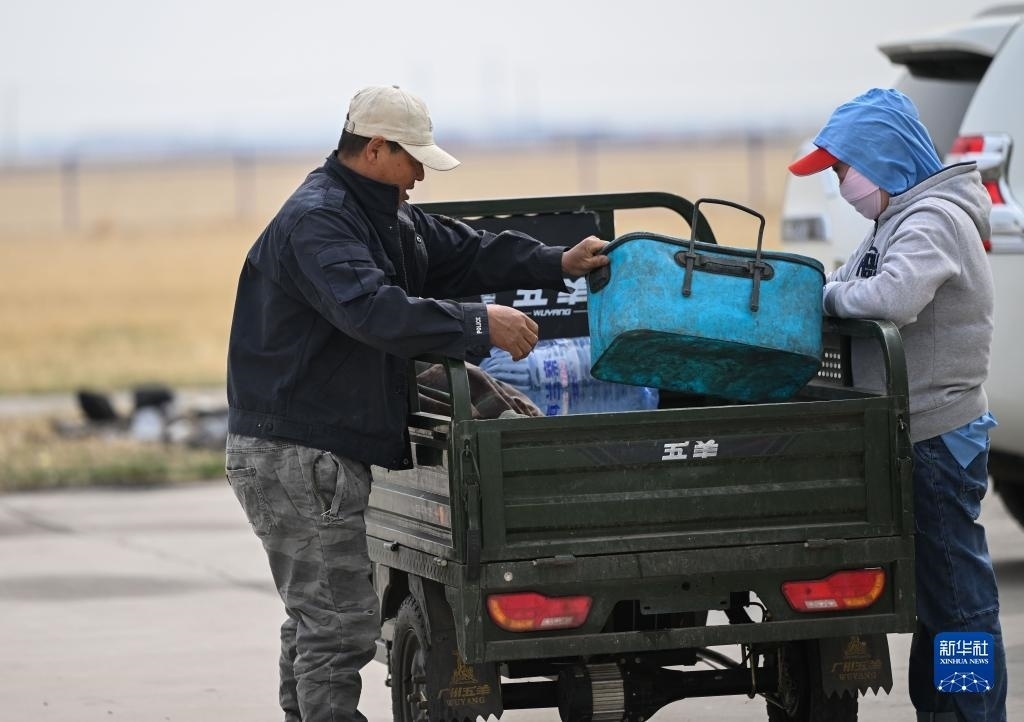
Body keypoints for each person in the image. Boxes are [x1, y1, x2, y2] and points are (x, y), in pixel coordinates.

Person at [224, 84, 609, 722]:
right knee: (338, 626)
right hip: (296, 452)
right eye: (414, 160)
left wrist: (556, 261)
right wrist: (480, 323)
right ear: (376, 149)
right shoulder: (320, 221)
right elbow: (373, 311)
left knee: (317, 617)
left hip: (314, 447)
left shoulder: (380, 214)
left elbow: (467, 250)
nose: (421, 177)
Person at [789, 87, 1006, 722]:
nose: (839, 183)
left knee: (957, 602)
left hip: (936, 438)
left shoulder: (932, 219)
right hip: (915, 435)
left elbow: (891, 298)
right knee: (936, 599)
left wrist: (820, 299)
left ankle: (971, 713)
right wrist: (815, 287)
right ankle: (943, 712)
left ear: (881, 158)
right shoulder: (895, 221)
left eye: (842, 169)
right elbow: (849, 280)